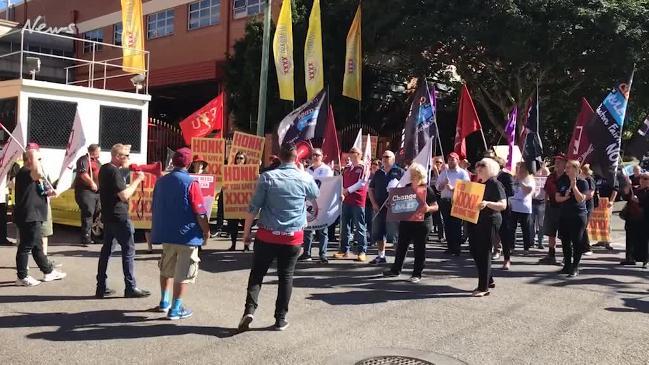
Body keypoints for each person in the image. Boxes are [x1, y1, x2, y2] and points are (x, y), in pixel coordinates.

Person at [237, 142, 319, 332]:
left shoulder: (268, 177)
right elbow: (315, 193)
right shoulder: (304, 177)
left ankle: (249, 310)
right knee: (286, 277)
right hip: (292, 238)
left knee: (257, 274)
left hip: (267, 235)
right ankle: (280, 319)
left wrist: (246, 232)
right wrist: (303, 171)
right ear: (296, 158)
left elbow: (253, 207)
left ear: (279, 158)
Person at [151, 147, 210, 320]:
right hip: (187, 235)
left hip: (167, 234)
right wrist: (206, 231)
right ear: (190, 163)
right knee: (183, 273)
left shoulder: (161, 181)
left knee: (166, 269)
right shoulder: (191, 183)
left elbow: (155, 206)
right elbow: (200, 212)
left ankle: (164, 302)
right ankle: (176, 309)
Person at [95, 143, 150, 298]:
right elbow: (124, 195)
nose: (128, 158)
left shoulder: (105, 168)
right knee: (128, 251)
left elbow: (115, 184)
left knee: (106, 251)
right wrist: (137, 180)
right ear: (117, 156)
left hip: (108, 216)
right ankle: (130, 287)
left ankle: (101, 286)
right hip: (120, 216)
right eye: (126, 155)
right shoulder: (113, 171)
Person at [14, 148, 66, 286]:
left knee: (37, 246)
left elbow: (36, 191)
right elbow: (37, 173)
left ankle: (48, 271)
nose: (40, 161)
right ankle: (22, 277)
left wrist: (48, 193)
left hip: (35, 214)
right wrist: (33, 155)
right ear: (30, 160)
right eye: (39, 159)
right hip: (28, 215)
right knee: (26, 246)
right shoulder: (25, 172)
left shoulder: (32, 174)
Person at [383, 163, 438, 282]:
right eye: (411, 174)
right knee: (401, 245)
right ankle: (395, 270)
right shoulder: (406, 187)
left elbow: (436, 206)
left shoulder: (427, 189)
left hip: (422, 222)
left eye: (415, 175)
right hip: (407, 221)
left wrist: (428, 208)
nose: (412, 177)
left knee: (419, 248)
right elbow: (399, 202)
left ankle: (417, 274)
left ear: (421, 176)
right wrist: (391, 204)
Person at [467, 158, 507, 297]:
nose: (478, 168)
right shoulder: (478, 184)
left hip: (490, 220)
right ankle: (488, 279)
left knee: (484, 252)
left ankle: (483, 288)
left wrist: (488, 203)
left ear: (490, 168)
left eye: (482, 166)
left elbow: (503, 205)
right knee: (474, 249)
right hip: (475, 220)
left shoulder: (495, 184)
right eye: (477, 165)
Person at [333, 147, 369, 262]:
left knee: (359, 227)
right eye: (351, 152)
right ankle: (344, 250)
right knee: (345, 227)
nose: (351, 154)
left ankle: (362, 251)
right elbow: (342, 182)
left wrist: (347, 191)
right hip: (346, 200)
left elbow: (361, 183)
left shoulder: (363, 167)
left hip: (358, 201)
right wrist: (343, 192)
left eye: (354, 152)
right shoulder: (347, 168)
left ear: (359, 154)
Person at [368, 150, 404, 264]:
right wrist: (374, 203)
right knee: (379, 232)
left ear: (393, 159)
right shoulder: (378, 173)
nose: (384, 158)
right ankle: (381, 256)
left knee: (395, 234)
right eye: (383, 156)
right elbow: (370, 189)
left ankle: (399, 259)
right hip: (379, 208)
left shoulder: (400, 172)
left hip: (394, 209)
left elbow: (406, 189)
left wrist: (395, 202)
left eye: (387, 156)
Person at [299, 148, 333, 263]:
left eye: (317, 155)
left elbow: (327, 185)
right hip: (309, 202)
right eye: (313, 155)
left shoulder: (327, 170)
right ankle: (306, 253)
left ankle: (323, 254)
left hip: (322, 202)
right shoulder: (308, 170)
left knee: (322, 229)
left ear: (322, 156)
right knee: (308, 228)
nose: (315, 157)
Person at [556, 160, 589, 277]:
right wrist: (564, 197)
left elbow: (581, 199)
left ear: (576, 169)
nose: (567, 169)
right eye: (566, 167)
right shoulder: (562, 180)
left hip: (578, 216)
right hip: (564, 214)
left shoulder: (583, 182)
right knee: (565, 241)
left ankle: (575, 266)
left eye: (569, 167)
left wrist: (574, 187)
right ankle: (567, 265)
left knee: (577, 241)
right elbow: (557, 198)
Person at [436, 152, 470, 256]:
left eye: (453, 159)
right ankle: (450, 246)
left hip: (457, 201)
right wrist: (442, 184)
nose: (451, 161)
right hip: (445, 201)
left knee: (456, 225)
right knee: (447, 224)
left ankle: (457, 248)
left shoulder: (462, 173)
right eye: (449, 159)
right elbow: (437, 187)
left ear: (457, 160)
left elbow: (467, 187)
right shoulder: (444, 173)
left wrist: (453, 188)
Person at [504, 162, 535, 269]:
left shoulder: (529, 179)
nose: (519, 170)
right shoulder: (513, 178)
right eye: (517, 168)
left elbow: (528, 191)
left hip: (524, 208)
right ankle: (511, 246)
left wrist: (520, 181)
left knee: (525, 228)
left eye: (521, 168)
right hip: (513, 206)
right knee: (511, 228)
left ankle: (526, 247)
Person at [538, 155, 567, 265]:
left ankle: (566, 256)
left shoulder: (567, 177)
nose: (557, 163)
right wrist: (545, 203)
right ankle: (551, 255)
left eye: (559, 161)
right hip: (551, 206)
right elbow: (546, 191)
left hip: (563, 208)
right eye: (556, 161)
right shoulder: (551, 177)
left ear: (565, 163)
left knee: (564, 234)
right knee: (551, 232)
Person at [74, 144, 101, 246]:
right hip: (86, 191)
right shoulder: (84, 160)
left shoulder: (97, 162)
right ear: (94, 151)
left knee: (97, 213)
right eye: (99, 151)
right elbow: (83, 173)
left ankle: (94, 235)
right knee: (88, 213)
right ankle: (86, 237)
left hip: (97, 192)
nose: (100, 153)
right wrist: (91, 183)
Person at [620, 171, 649, 267]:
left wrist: (639, 201)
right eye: (641, 178)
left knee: (644, 240)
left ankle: (646, 259)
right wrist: (628, 186)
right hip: (631, 217)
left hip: (644, 219)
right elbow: (625, 196)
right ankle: (630, 258)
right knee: (630, 238)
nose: (642, 180)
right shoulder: (635, 189)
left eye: (645, 178)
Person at [227, 152, 249, 251]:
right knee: (233, 226)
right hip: (233, 201)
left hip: (245, 202)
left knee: (246, 225)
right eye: (237, 158)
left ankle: (246, 246)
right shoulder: (230, 171)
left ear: (245, 160)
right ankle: (233, 245)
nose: (239, 160)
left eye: (241, 158)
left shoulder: (250, 171)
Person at [495, 157, 514, 261]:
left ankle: (507, 259)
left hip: (503, 209)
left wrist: (499, 189)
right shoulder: (488, 177)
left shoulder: (506, 176)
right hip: (490, 208)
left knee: (504, 233)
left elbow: (512, 192)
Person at [532, 161, 549, 249]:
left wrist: (544, 167)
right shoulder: (533, 174)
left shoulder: (546, 174)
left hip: (542, 202)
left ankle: (540, 241)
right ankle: (532, 240)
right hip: (532, 201)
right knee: (532, 223)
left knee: (541, 224)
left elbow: (547, 174)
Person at [580, 164, 596, 256]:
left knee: (584, 226)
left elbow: (590, 194)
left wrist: (580, 198)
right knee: (580, 226)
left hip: (588, 205)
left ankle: (587, 247)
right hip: (582, 205)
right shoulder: (580, 179)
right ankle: (581, 246)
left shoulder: (589, 179)